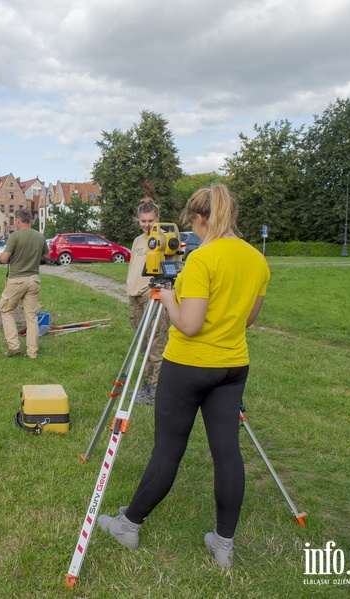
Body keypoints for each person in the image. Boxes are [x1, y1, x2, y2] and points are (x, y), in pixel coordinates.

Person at [98, 184, 270, 568]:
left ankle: (129, 524)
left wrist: (169, 296)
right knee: (227, 453)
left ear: (200, 218)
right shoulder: (256, 258)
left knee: (168, 450)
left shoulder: (202, 259)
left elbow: (189, 325)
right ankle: (223, 544)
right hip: (233, 366)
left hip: (189, 364)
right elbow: (249, 319)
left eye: (191, 221)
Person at [126, 199, 171, 404]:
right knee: (142, 345)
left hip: (151, 296)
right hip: (134, 297)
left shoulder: (164, 239)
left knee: (156, 344)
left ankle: (156, 389)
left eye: (150, 220)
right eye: (143, 221)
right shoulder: (138, 241)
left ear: (158, 219)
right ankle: (148, 384)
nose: (147, 224)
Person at [0, 209, 49, 359]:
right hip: (34, 279)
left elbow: (5, 258)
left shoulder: (15, 236)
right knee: (32, 317)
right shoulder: (40, 236)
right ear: (30, 221)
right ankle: (32, 353)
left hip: (17, 280)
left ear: (18, 221)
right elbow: (47, 255)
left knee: (6, 310)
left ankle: (14, 346)